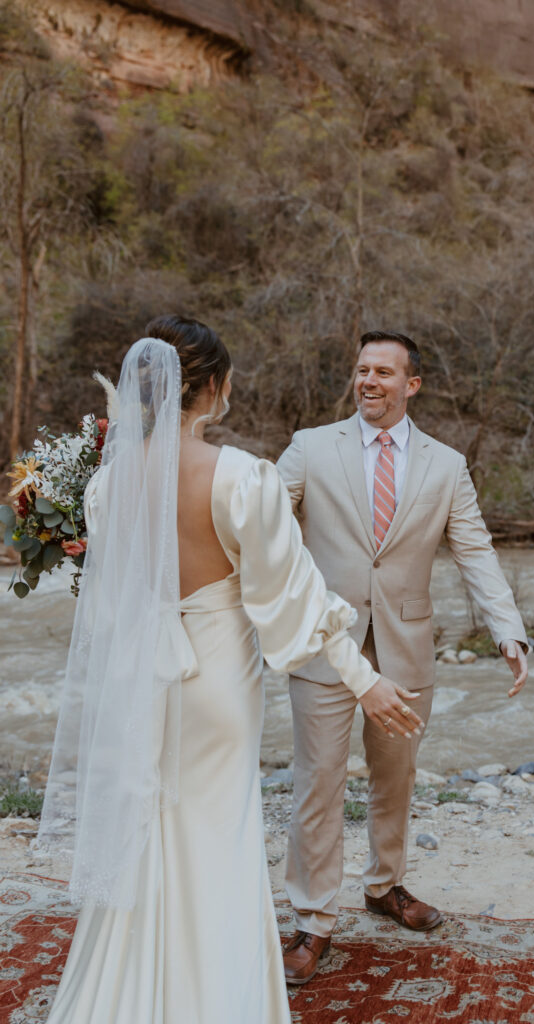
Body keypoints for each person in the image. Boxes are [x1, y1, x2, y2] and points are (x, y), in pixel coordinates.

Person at [37, 317, 420, 1024]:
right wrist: (363, 679)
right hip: (214, 685)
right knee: (219, 838)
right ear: (212, 389)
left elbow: (111, 601)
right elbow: (296, 595)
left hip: (143, 685)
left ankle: (133, 995)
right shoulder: (243, 478)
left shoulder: (107, 485)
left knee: (150, 831)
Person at [277, 329, 529, 984]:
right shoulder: (309, 448)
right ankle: (312, 921)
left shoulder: (445, 466)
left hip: (405, 648)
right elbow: (262, 524)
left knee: (394, 779)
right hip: (325, 647)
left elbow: (473, 549)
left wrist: (507, 631)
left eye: (383, 372)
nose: (368, 381)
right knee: (319, 780)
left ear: (410, 385)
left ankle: (384, 886)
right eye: (361, 370)